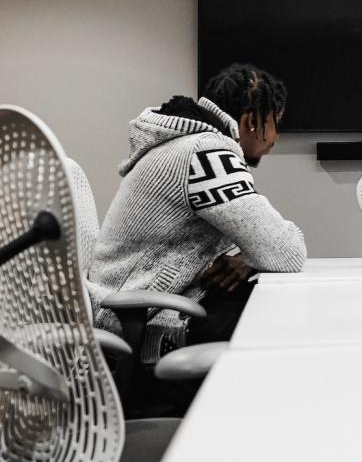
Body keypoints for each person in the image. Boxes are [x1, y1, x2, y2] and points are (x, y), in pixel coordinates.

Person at [88, 63, 307, 364]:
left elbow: (257, 247)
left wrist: (246, 258)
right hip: (143, 322)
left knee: (267, 309)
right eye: (275, 122)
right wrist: (254, 255)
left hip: (142, 306)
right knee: (279, 324)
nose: (276, 137)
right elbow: (287, 252)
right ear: (251, 121)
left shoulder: (187, 145)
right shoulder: (206, 154)